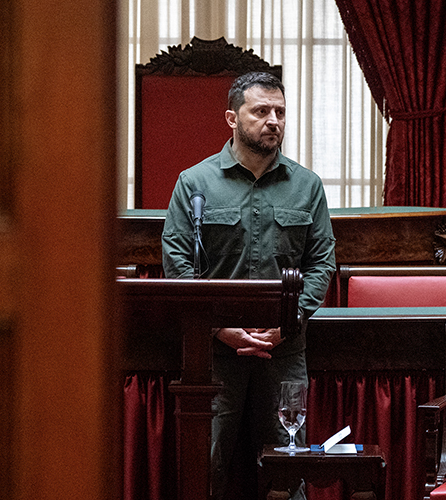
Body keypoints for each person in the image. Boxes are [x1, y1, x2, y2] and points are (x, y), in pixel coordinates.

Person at [161, 71, 336, 499]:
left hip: (284, 349)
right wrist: (219, 328)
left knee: (288, 464)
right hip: (213, 352)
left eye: (279, 112)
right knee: (207, 464)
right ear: (232, 118)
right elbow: (176, 261)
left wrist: (286, 324)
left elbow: (322, 262)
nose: (272, 120)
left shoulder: (306, 186)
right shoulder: (195, 183)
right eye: (260, 111)